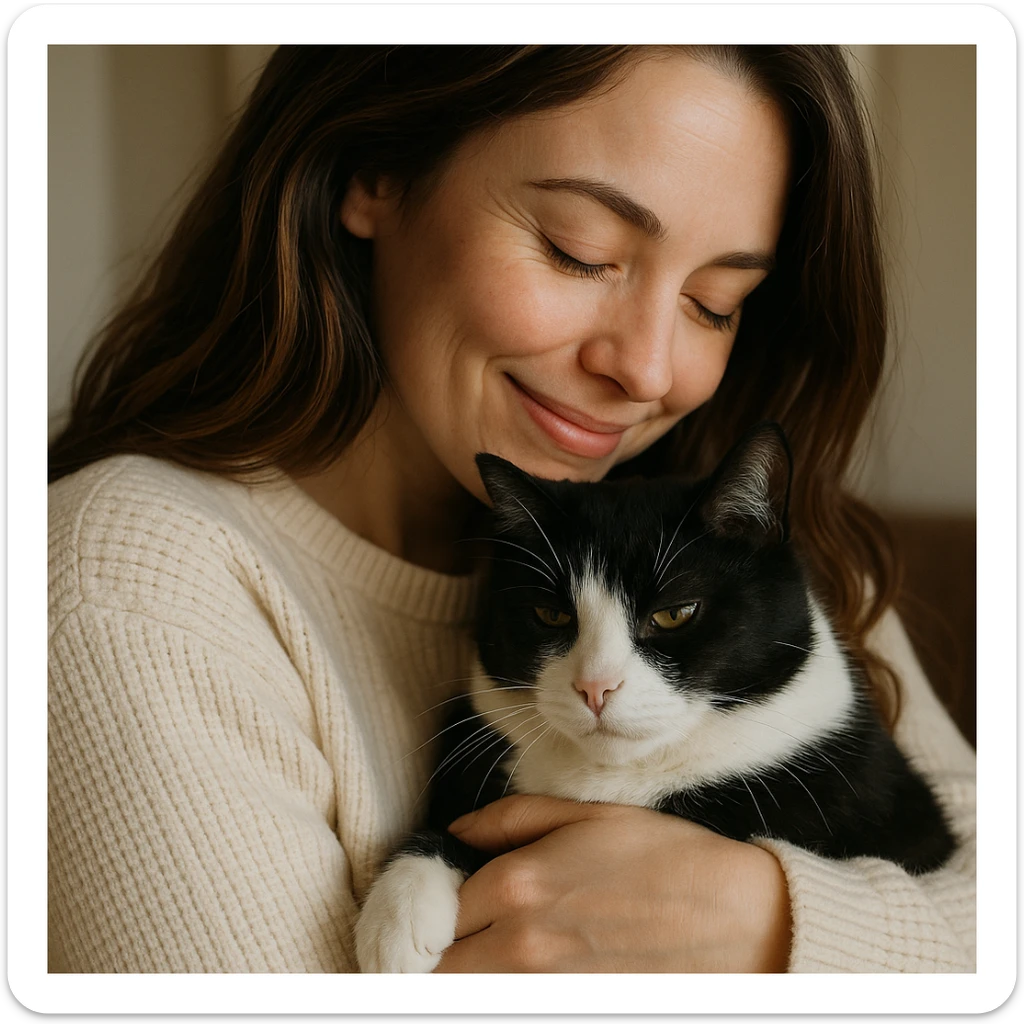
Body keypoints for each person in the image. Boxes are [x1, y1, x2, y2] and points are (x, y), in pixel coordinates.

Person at [47, 44, 975, 973]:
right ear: (377, 168)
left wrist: (770, 924)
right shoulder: (130, 584)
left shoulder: (752, 546)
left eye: (714, 303)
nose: (647, 369)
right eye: (581, 253)